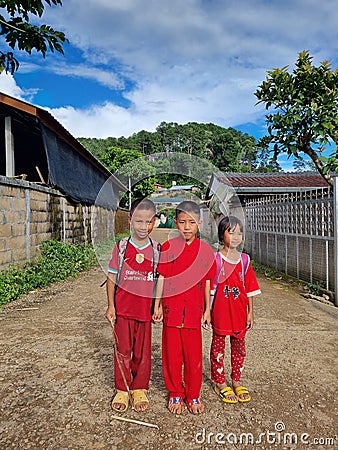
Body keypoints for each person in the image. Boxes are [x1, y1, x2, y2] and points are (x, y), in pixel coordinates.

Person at [153, 200, 215, 415]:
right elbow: (162, 276)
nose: (187, 227)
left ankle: (193, 393)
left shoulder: (206, 251)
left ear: (199, 222)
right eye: (182, 222)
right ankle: (175, 392)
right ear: (176, 224)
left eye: (191, 222)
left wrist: (207, 310)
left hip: (194, 311)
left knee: (193, 356)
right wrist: (157, 304)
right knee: (172, 355)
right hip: (172, 309)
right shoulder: (169, 247)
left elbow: (207, 282)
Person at [105, 198, 160, 413]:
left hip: (145, 311)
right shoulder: (121, 248)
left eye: (147, 222)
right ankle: (122, 387)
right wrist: (111, 306)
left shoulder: (157, 249)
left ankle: (139, 388)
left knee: (143, 352)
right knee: (123, 350)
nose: (143, 227)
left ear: (154, 222)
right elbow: (111, 278)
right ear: (130, 220)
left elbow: (160, 280)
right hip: (123, 310)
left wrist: (157, 306)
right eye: (138, 221)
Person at [210, 215, 261, 404]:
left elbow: (250, 289)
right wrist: (207, 312)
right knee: (218, 348)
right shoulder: (215, 260)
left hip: (240, 312)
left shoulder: (245, 261)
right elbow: (210, 288)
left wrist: (250, 312)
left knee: (239, 348)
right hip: (220, 313)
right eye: (231, 232)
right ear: (221, 235)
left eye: (239, 233)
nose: (236, 236)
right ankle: (220, 382)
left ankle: (236, 380)